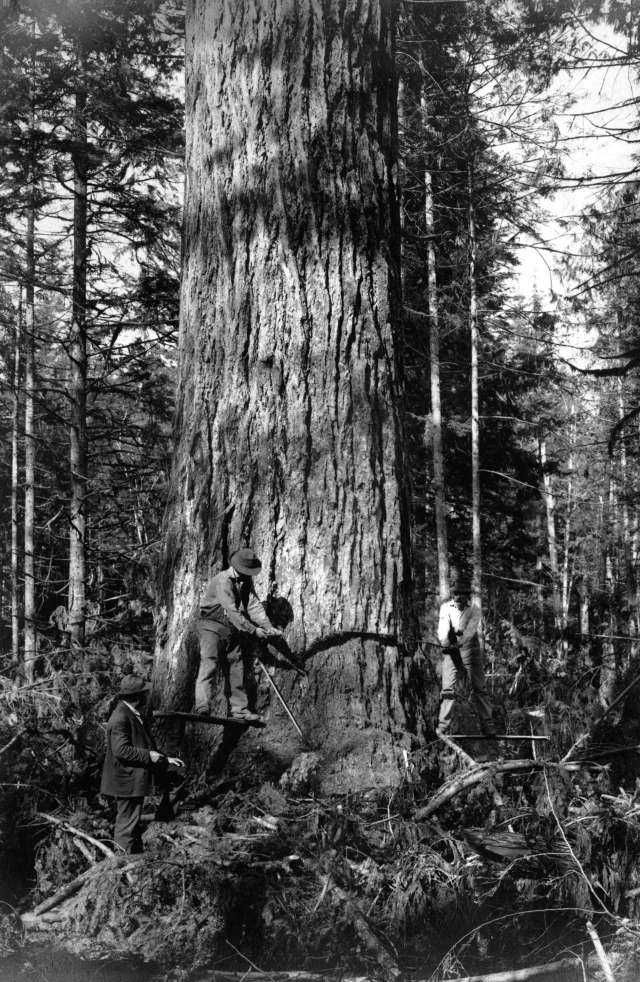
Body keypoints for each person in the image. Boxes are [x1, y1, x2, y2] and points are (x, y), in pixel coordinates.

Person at [194, 547, 284, 722]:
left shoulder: (245, 580)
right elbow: (232, 610)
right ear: (236, 566)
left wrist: (267, 626)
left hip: (231, 628)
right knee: (209, 662)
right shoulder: (223, 580)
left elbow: (253, 605)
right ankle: (202, 705)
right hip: (211, 626)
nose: (246, 574)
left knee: (237, 666)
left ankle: (240, 710)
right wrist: (253, 630)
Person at [100, 674, 184, 853]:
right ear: (137, 697)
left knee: (176, 773)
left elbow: (142, 744)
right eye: (144, 693)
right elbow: (121, 750)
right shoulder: (120, 717)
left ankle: (137, 851)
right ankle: (121, 862)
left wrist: (165, 759)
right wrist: (149, 756)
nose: (147, 696)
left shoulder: (132, 713)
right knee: (126, 823)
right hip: (126, 779)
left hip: (133, 775)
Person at [436, 572, 496, 738]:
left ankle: (488, 726)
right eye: (455, 593)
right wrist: (445, 642)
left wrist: (459, 642)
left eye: (461, 594)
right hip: (451, 653)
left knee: (480, 689)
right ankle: (443, 726)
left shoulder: (474, 611)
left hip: (471, 652)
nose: (457, 597)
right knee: (447, 689)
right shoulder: (445, 608)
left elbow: (469, 632)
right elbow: (442, 629)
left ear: (466, 596)